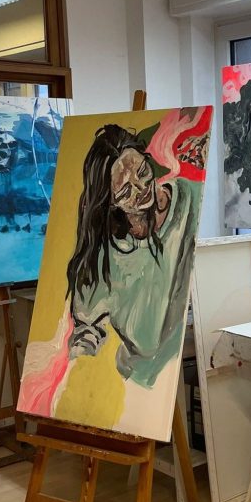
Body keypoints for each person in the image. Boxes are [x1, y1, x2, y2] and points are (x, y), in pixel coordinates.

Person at [66, 123, 203, 388]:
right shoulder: (105, 253)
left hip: (185, 360)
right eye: (126, 191)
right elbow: (87, 330)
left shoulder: (192, 201)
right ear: (110, 201)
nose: (142, 189)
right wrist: (81, 377)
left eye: (142, 171)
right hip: (135, 384)